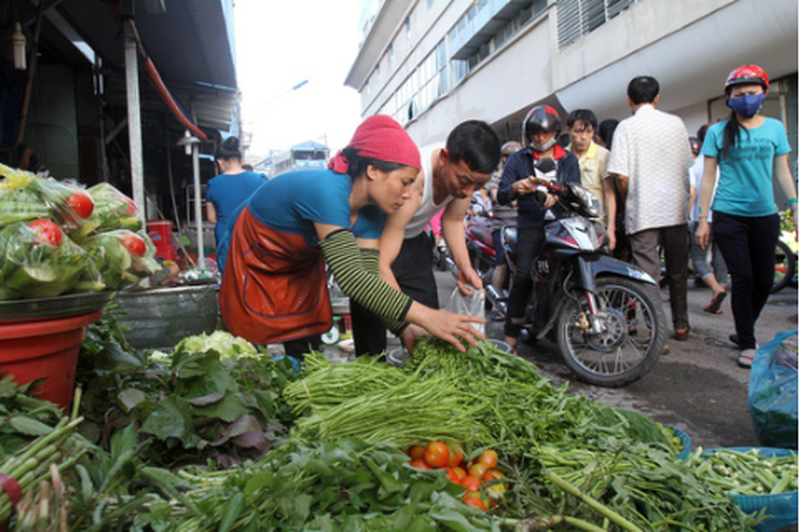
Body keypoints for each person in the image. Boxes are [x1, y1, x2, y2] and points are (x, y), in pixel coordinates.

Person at [219, 115, 485, 359]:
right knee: (248, 345)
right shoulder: (329, 191)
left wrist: (405, 328)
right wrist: (429, 316)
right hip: (256, 254)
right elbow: (351, 278)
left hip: (300, 265)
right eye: (405, 182)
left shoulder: (373, 214)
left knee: (304, 344)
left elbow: (369, 277)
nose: (408, 194)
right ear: (373, 171)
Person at [351, 120, 502, 356]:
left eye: (478, 185)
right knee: (374, 322)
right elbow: (380, 266)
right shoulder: (413, 181)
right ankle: (370, 375)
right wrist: (405, 322)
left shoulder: (464, 179)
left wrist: (465, 266)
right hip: (375, 242)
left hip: (415, 244)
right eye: (464, 182)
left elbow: (452, 221)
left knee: (430, 332)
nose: (468, 192)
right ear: (444, 158)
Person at [695, 65, 798, 368]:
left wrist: (795, 205)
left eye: (752, 93)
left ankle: (743, 329)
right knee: (744, 278)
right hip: (729, 215)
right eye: (739, 94)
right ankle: (748, 343)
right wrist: (703, 219)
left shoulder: (775, 128)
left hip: (765, 215)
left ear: (764, 94)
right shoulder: (716, 132)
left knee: (766, 279)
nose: (746, 99)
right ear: (729, 98)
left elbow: (781, 169)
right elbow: (708, 178)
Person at [606, 76, 694, 349]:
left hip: (643, 210)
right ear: (656, 98)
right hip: (675, 208)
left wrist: (627, 196)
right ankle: (681, 324)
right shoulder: (676, 123)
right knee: (678, 270)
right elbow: (685, 167)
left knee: (647, 274)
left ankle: (657, 334)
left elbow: (620, 175)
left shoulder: (626, 127)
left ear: (629, 100)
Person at [497, 106, 581, 355]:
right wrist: (516, 187)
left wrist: (559, 196)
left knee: (570, 271)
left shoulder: (568, 159)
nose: (540, 137)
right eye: (535, 132)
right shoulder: (517, 159)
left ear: (555, 131)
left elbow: (576, 191)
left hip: (562, 224)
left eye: (545, 132)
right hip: (530, 225)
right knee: (523, 276)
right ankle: (510, 338)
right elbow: (502, 194)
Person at [206, 137, 267, 272]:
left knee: (231, 279)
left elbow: (211, 218)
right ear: (241, 160)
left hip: (227, 239)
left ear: (220, 161)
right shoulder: (260, 180)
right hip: (255, 237)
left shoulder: (213, 184)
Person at [688, 125, 729, 314]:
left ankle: (716, 289)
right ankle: (719, 293)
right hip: (723, 216)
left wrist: (686, 216)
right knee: (721, 257)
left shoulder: (696, 164)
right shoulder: (725, 162)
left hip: (701, 218)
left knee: (698, 258)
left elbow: (692, 192)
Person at [486, 140, 522, 320]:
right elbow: (496, 196)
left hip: (520, 226)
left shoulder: (525, 176)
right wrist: (513, 198)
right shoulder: (497, 177)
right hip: (501, 226)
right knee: (502, 264)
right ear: (506, 159)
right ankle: (496, 306)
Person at [565, 109, 610, 223]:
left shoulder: (603, 155)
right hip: (570, 222)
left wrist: (610, 227)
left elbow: (609, 193)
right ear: (568, 130)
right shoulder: (561, 156)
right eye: (578, 131)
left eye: (589, 131)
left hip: (596, 222)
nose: (584, 137)